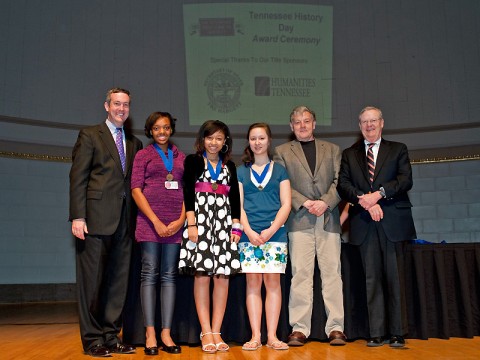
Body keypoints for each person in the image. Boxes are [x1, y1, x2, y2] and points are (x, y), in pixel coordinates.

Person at [69, 87, 143, 357]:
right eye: (116, 104)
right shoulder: (90, 135)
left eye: (125, 105)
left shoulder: (134, 143)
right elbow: (77, 177)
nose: (121, 109)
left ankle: (111, 337)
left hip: (125, 223)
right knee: (92, 284)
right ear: (106, 106)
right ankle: (92, 340)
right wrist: (78, 215)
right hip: (94, 221)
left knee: (117, 283)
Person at [337, 106, 416, 348]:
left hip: (393, 221)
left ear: (382, 123)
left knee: (394, 278)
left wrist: (378, 195)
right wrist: (365, 200)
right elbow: (343, 184)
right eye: (364, 122)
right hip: (363, 222)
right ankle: (376, 332)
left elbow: (405, 180)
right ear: (359, 126)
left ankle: (397, 332)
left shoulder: (398, 149)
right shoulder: (350, 154)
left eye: (373, 121)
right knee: (371, 279)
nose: (369, 125)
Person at [273, 105, 347, 346]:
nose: (302, 125)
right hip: (298, 220)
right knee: (301, 275)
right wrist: (305, 202)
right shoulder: (282, 151)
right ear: (291, 126)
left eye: (307, 121)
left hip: (328, 219)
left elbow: (340, 181)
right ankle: (299, 329)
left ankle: (336, 327)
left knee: (332, 275)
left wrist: (325, 202)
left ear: (314, 123)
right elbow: (281, 183)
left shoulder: (333, 149)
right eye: (297, 122)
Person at [178, 120, 242, 353]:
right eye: (210, 137)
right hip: (200, 224)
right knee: (202, 277)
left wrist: (236, 226)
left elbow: (234, 198)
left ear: (225, 142)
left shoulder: (230, 167)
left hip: (224, 225)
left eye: (219, 138)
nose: (214, 142)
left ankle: (217, 331)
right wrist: (191, 223)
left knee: (222, 278)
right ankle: (205, 331)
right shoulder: (194, 160)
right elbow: (187, 191)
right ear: (202, 139)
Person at [131, 112, 186, 355]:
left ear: (171, 129)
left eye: (165, 127)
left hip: (176, 226)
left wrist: (181, 219)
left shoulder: (181, 157)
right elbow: (135, 190)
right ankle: (150, 332)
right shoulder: (142, 155)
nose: (161, 132)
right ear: (150, 131)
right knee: (150, 274)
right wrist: (154, 220)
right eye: (156, 128)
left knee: (169, 276)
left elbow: (188, 191)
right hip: (149, 224)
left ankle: (166, 332)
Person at [237, 123, 291, 351]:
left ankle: (272, 336)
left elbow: (286, 204)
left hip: (275, 234)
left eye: (261, 138)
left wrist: (270, 231)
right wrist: (248, 231)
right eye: (253, 138)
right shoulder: (240, 172)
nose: (257, 142)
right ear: (248, 142)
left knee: (273, 283)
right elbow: (237, 206)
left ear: (269, 141)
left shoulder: (280, 170)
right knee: (252, 283)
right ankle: (255, 336)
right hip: (248, 236)